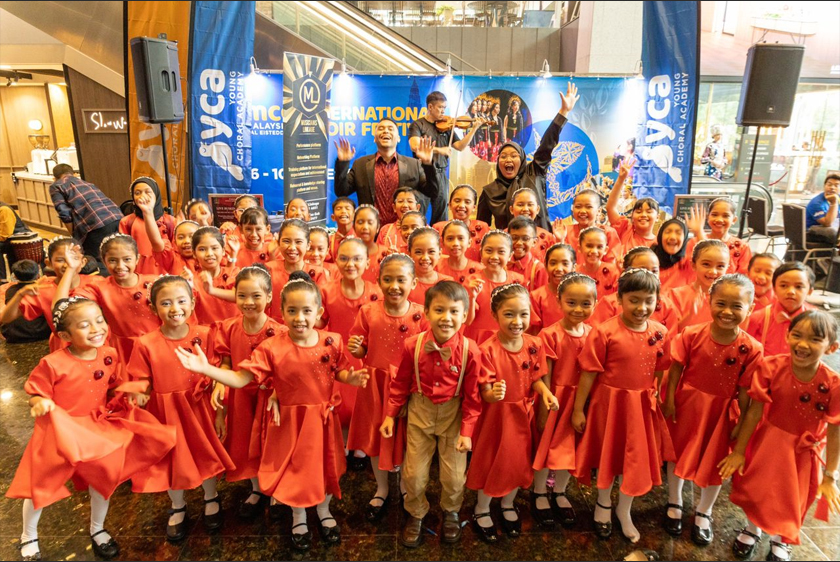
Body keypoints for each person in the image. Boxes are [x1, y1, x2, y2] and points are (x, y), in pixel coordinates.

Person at [175, 272, 370, 551]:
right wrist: (207, 369)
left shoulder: (333, 341)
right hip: (289, 421)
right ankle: (299, 516)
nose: (300, 317)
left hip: (321, 419)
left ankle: (324, 511)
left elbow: (338, 371)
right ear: (282, 312)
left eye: (306, 311)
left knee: (327, 467)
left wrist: (351, 379)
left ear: (319, 312)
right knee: (295, 470)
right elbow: (243, 379)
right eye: (292, 311)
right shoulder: (272, 347)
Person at [6, 297, 175, 561]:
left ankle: (98, 530)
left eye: (99, 321)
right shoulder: (53, 363)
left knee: (103, 477)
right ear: (65, 335)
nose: (96, 329)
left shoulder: (109, 354)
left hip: (94, 428)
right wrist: (40, 403)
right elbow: (36, 392)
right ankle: (29, 534)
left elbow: (116, 383)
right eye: (85, 325)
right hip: (59, 430)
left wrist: (133, 392)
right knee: (40, 485)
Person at [720, 310, 840, 562]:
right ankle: (753, 529)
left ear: (831, 347)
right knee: (758, 490)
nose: (803, 344)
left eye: (815, 339)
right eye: (797, 335)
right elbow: (754, 411)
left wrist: (830, 475)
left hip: (802, 453)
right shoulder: (771, 367)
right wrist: (740, 450)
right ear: (787, 335)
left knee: (792, 498)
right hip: (768, 442)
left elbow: (835, 429)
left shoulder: (833, 384)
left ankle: (780, 539)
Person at [127, 275, 235, 542]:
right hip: (166, 411)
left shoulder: (207, 335)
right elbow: (141, 377)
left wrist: (220, 409)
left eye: (181, 301)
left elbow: (221, 367)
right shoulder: (145, 343)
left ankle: (211, 497)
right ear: (153, 308)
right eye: (165, 303)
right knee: (172, 459)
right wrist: (139, 393)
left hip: (200, 407)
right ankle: (178, 505)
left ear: (193, 302)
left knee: (204, 452)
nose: (175, 308)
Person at [572, 268, 673, 543]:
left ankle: (624, 509)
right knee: (610, 455)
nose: (642, 308)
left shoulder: (661, 332)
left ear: (657, 300)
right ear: (619, 298)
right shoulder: (605, 332)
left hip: (641, 405)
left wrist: (658, 396)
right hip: (611, 404)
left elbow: (661, 369)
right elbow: (589, 372)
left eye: (648, 301)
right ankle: (603, 505)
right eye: (634, 300)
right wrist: (579, 408)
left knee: (635, 459)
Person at [380, 280, 484, 548]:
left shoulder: (471, 350)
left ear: (464, 315)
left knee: (453, 475)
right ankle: (416, 512)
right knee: (413, 474)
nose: (446, 318)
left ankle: (451, 511)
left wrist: (467, 432)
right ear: (426, 312)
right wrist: (391, 414)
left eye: (453, 311)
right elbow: (400, 383)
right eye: (439, 310)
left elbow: (473, 397)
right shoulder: (411, 346)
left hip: (453, 416)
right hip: (419, 413)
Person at [662, 274, 763, 546]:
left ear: (750, 308)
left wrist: (742, 421)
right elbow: (676, 369)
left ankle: (704, 511)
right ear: (709, 300)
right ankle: (675, 500)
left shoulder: (752, 348)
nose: (727, 312)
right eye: (721, 303)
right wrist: (670, 399)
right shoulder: (692, 334)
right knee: (678, 454)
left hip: (722, 412)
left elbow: (745, 390)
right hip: (689, 404)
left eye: (737, 306)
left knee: (715, 462)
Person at [467, 283, 558, 543]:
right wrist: (490, 393)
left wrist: (546, 393)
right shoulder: (487, 349)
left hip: (522, 414)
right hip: (497, 417)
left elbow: (536, 378)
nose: (517, 321)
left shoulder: (535, 344)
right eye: (509, 314)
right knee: (491, 459)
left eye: (523, 314)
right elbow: (483, 388)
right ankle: (482, 507)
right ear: (494, 315)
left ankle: (508, 502)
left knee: (518, 460)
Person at [346, 253, 428, 521]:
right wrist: (358, 350)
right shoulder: (368, 311)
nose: (394, 285)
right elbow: (362, 350)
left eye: (401, 280)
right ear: (378, 281)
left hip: (408, 387)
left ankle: (405, 487)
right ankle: (381, 488)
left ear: (413, 282)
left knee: (407, 439)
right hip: (375, 386)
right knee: (375, 437)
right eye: (388, 280)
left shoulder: (420, 314)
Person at [208, 265, 285, 520]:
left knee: (271, 442)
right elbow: (226, 360)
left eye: (256, 296)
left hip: (270, 396)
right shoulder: (229, 328)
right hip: (241, 396)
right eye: (242, 296)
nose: (248, 302)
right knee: (244, 442)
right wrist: (220, 381)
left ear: (269, 297)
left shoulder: (280, 332)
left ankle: (275, 488)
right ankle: (256, 487)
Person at [532, 272, 597, 528]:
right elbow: (543, 371)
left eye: (585, 303)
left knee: (572, 448)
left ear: (595, 303)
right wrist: (544, 407)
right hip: (555, 398)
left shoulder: (594, 334)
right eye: (571, 303)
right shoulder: (550, 334)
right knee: (546, 446)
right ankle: (538, 491)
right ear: (559, 302)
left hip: (579, 399)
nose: (578, 309)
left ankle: (559, 491)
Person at [477, 83, 579, 231]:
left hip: (541, 244)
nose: (508, 160)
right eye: (503, 156)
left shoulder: (534, 172)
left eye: (514, 155)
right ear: (497, 161)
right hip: (508, 249)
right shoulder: (489, 191)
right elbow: (481, 229)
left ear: (522, 159)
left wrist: (563, 112)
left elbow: (547, 144)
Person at [52, 236, 160, 364]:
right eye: (113, 260)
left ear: (137, 259)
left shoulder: (154, 283)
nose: (120, 266)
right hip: (123, 350)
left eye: (127, 259)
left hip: (157, 345)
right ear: (104, 261)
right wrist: (70, 270)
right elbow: (60, 307)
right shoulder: (100, 287)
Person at [334, 123, 439, 225]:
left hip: (403, 230)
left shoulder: (413, 164)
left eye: (390, 128)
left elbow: (433, 192)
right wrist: (343, 163)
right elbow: (341, 191)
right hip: (370, 231)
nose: (385, 131)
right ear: (375, 138)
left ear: (398, 138)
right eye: (381, 128)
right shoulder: (360, 164)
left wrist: (428, 164)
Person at [408, 91, 484, 223]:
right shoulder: (418, 125)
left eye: (444, 108)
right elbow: (415, 145)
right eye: (440, 107)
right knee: (420, 208)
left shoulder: (447, 126)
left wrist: (474, 129)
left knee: (441, 210)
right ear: (430, 107)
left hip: (440, 172)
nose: (443, 111)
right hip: (422, 172)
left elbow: (460, 146)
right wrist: (440, 150)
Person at [48, 164, 121, 270]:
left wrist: (74, 236)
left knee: (97, 261)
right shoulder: (86, 183)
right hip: (117, 218)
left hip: (96, 225)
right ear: (74, 174)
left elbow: (64, 213)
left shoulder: (56, 185)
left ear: (54, 178)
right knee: (114, 254)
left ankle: (100, 283)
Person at [464, 230, 526, 344]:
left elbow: (524, 317)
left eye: (501, 252)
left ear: (510, 255)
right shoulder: (472, 281)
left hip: (507, 337)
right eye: (489, 251)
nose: (494, 256)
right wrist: (472, 297)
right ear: (481, 252)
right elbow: (467, 321)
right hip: (477, 339)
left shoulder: (518, 281)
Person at [746, 261, 813, 356]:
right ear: (774, 288)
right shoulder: (758, 318)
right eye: (783, 286)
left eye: (798, 287)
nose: (791, 291)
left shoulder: (816, 321)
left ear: (810, 291)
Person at [118, 177, 177, 275]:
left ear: (156, 195)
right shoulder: (127, 222)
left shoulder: (170, 221)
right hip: (140, 271)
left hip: (165, 271)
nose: (142, 196)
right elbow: (124, 249)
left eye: (147, 192)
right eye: (137, 193)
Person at [0, 260, 50, 343]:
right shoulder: (44, 287)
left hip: (14, 335)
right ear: (38, 275)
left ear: (15, 277)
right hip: (41, 333)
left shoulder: (10, 290)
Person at [406, 227, 452, 306]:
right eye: (418, 252)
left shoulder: (447, 282)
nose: (425, 258)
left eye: (431, 251)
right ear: (409, 253)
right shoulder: (403, 282)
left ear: (439, 254)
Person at [805, 173, 840, 247]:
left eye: (836, 185)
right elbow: (827, 223)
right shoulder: (816, 203)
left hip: (834, 226)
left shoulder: (838, 197)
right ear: (824, 186)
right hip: (813, 231)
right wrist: (833, 203)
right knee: (834, 233)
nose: (832, 188)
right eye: (829, 184)